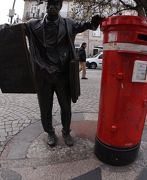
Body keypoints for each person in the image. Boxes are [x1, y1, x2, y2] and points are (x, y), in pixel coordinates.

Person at [0, 0, 104, 147]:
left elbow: (86, 25)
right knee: (45, 108)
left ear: (60, 7)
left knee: (66, 107)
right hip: (43, 76)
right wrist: (3, 27)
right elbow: (12, 29)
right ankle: (50, 132)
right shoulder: (33, 25)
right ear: (46, 6)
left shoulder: (68, 24)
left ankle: (66, 132)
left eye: (56, 5)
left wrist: (94, 23)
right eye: (50, 4)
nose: (52, 7)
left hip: (62, 75)